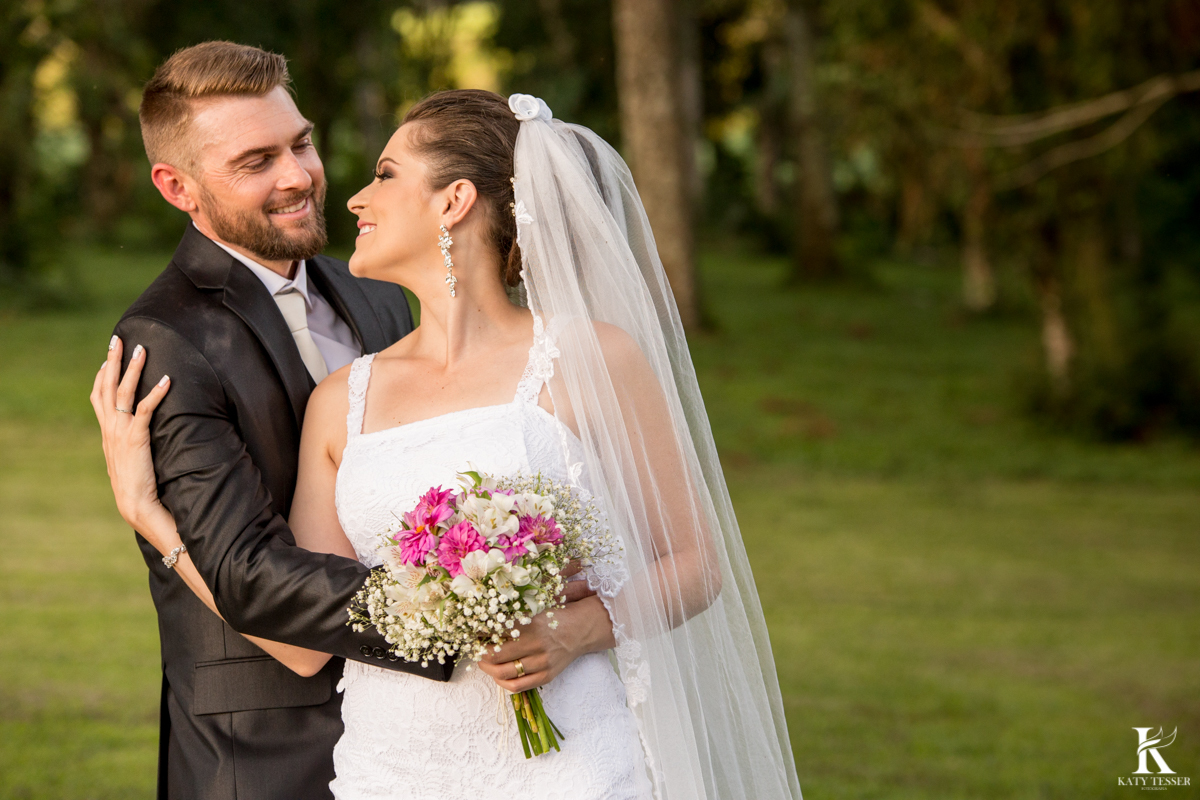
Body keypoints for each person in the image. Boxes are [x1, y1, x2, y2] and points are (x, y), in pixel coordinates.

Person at [97, 88, 803, 798]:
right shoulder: (344, 400)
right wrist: (153, 520)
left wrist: (576, 630)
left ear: (454, 201)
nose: (350, 198)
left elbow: (696, 562)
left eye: (386, 174)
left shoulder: (593, 359)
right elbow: (301, 642)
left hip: (569, 767)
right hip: (390, 770)